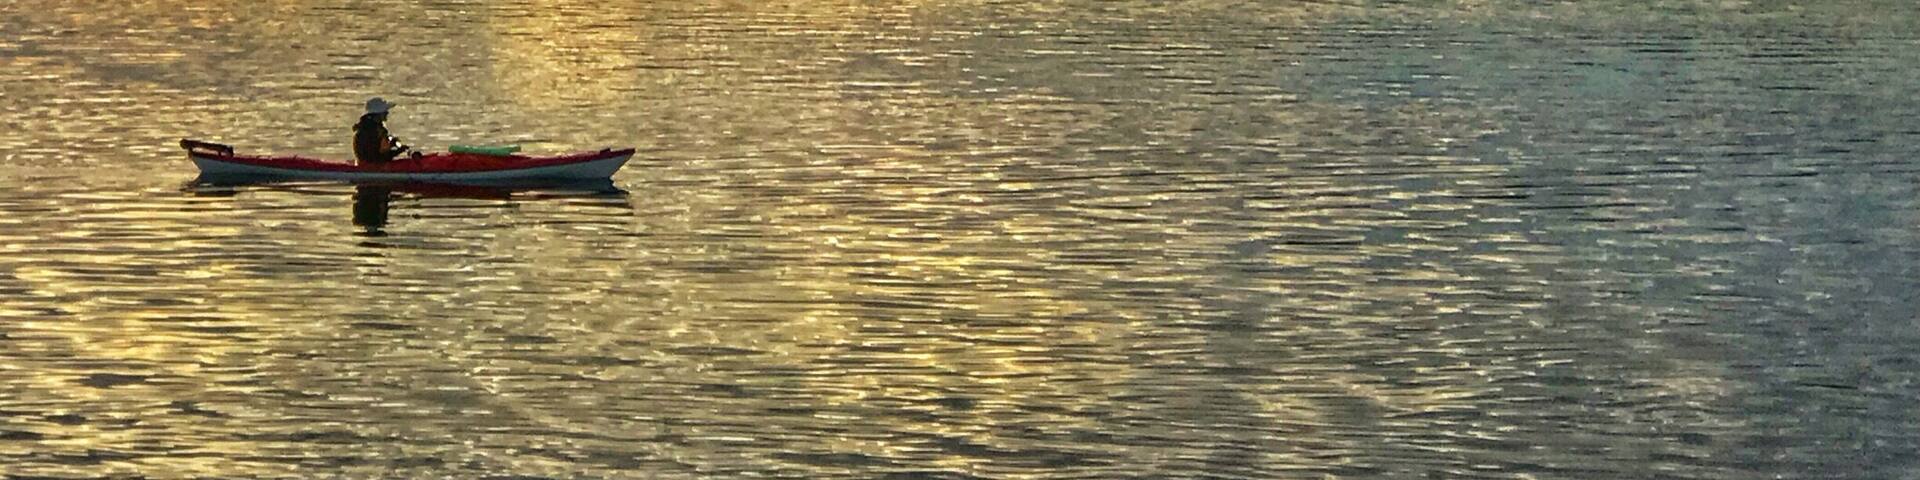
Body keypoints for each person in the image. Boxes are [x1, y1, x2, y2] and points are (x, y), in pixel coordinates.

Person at [352, 97, 410, 164]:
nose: (387, 113)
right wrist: (399, 151)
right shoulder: (372, 131)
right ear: (377, 115)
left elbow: (379, 150)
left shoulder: (370, 127)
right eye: (385, 112)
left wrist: (391, 144)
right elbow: (376, 157)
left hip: (370, 163)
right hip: (372, 167)